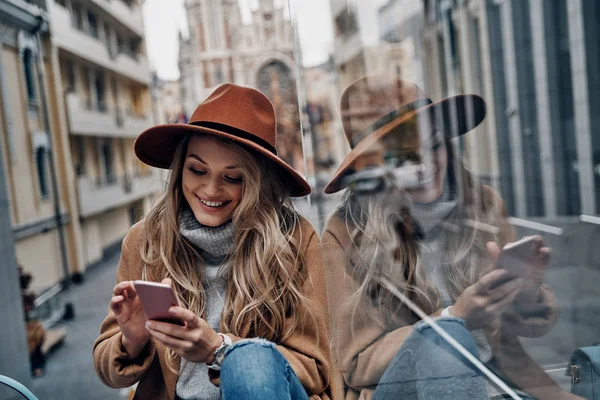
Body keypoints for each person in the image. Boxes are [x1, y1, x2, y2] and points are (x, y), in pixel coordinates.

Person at [321, 73, 573, 400]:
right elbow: (355, 363)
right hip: (406, 391)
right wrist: (453, 320)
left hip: (498, 385)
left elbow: (526, 329)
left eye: (434, 145)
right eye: (405, 157)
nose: (426, 165)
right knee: (443, 350)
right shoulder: (345, 232)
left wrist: (526, 292)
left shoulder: (482, 204)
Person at [93, 84, 331, 400]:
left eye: (232, 177)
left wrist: (220, 350)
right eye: (197, 170)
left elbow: (316, 368)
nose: (210, 189)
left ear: (258, 183)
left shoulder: (295, 239)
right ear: (179, 170)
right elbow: (107, 367)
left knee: (251, 360)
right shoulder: (144, 240)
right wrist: (131, 340)